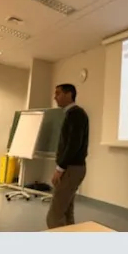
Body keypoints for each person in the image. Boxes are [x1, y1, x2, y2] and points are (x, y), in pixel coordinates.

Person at [46, 83, 89, 229]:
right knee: (66, 212)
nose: (55, 97)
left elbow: (73, 145)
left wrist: (60, 168)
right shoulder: (72, 114)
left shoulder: (76, 114)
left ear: (69, 94)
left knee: (54, 216)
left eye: (58, 93)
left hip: (71, 169)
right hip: (72, 168)